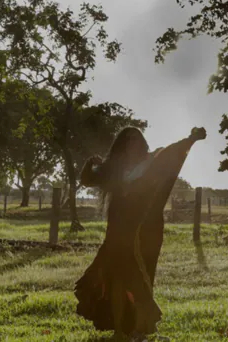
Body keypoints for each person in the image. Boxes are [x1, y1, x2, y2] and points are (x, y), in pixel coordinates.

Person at [74, 126, 207, 340]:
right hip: (117, 234)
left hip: (144, 232)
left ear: (143, 142)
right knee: (116, 281)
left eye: (136, 139)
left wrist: (191, 139)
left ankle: (138, 329)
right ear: (121, 145)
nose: (132, 144)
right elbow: (88, 179)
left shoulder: (152, 164)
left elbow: (173, 152)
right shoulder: (114, 169)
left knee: (140, 280)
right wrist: (90, 163)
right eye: (127, 140)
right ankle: (120, 330)